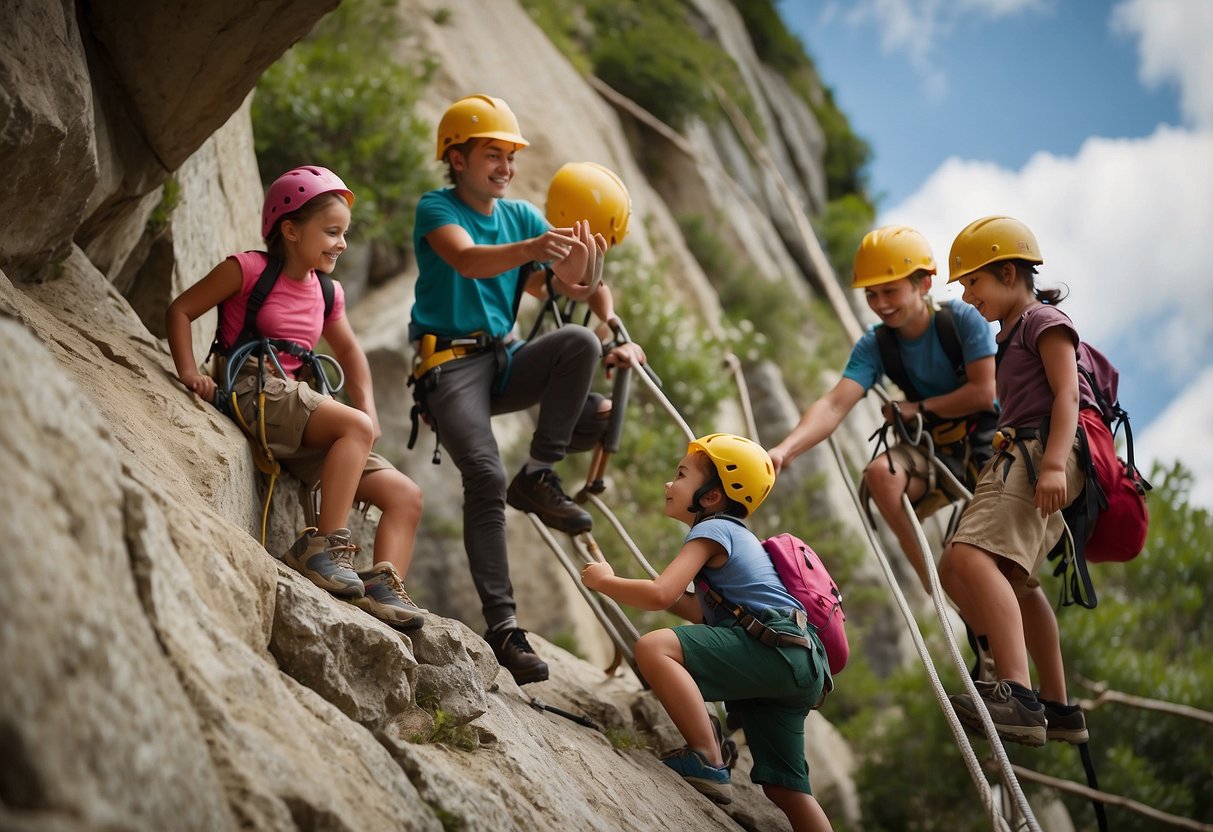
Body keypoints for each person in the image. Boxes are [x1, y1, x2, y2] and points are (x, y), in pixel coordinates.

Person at [410, 94, 645, 685]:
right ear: (456, 157)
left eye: (510, 159)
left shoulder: (521, 220)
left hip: (504, 360)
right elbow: (467, 261)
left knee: (582, 345)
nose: (506, 169)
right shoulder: (436, 209)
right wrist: (536, 252)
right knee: (484, 477)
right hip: (452, 367)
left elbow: (571, 285)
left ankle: (538, 474)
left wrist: (607, 310)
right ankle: (505, 629)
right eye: (494, 155)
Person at [166, 165, 425, 631]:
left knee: (405, 495)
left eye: (344, 233)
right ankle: (323, 546)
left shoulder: (327, 291)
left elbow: (349, 351)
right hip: (252, 388)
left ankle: (382, 589)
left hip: (294, 406)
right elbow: (182, 310)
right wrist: (190, 372)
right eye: (331, 231)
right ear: (290, 229)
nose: (341, 243)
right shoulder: (246, 270)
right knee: (354, 428)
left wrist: (366, 407)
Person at [582, 434, 833, 832]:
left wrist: (606, 581)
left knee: (654, 648)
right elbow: (696, 609)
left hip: (773, 649)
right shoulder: (736, 536)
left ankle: (707, 757)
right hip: (800, 661)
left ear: (711, 497)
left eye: (680, 475)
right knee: (786, 790)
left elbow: (661, 592)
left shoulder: (714, 530)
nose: (669, 484)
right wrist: (630, 584)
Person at [768, 225, 997, 592]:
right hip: (936, 452)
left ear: (923, 285)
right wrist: (785, 450)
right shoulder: (876, 345)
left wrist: (916, 408)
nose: (880, 304)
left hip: (988, 447)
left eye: (890, 291)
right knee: (880, 475)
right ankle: (936, 588)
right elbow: (832, 404)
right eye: (871, 294)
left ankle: (963, 592)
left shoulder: (961, 321)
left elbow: (985, 393)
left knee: (986, 563)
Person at [940, 216, 1090, 747]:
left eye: (972, 282)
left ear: (1008, 272)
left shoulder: (1043, 322)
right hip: (1025, 453)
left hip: (1038, 453)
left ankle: (1016, 696)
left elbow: (1067, 396)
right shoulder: (1012, 335)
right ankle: (1057, 704)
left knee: (967, 558)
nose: (967, 295)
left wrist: (1051, 464)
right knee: (1013, 581)